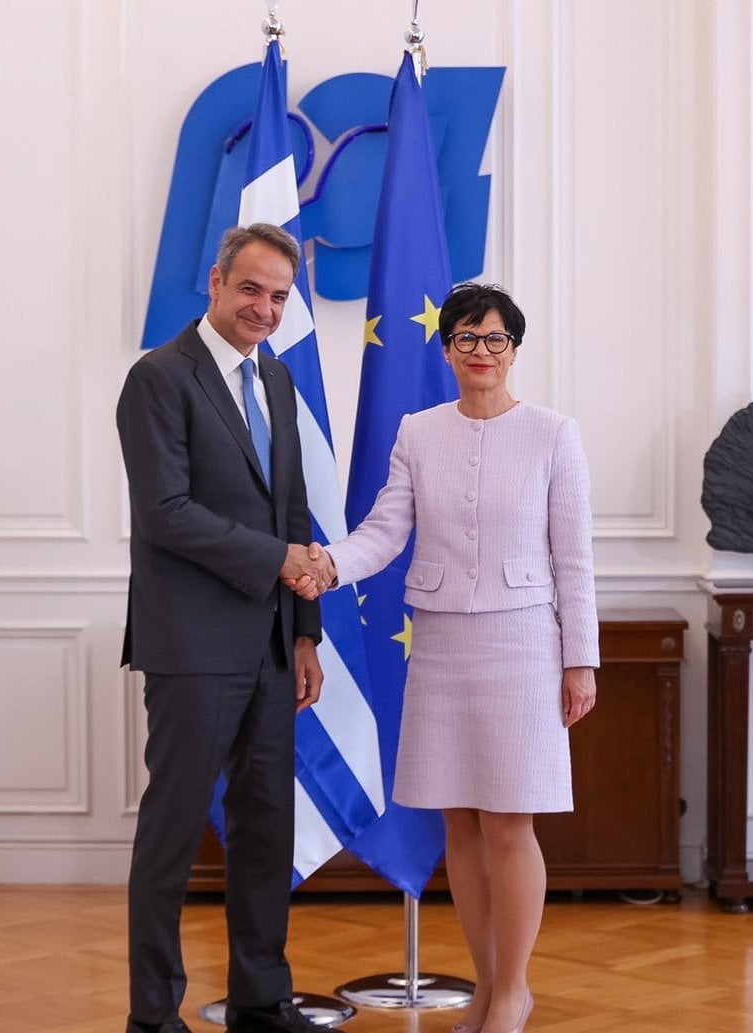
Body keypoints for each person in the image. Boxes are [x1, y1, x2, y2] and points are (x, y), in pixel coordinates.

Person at [292, 283, 598, 1033]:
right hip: (441, 643)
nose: (480, 351)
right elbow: (384, 531)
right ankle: (486, 987)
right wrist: (328, 564)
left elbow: (575, 558)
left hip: (523, 643)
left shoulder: (554, 434)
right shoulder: (418, 431)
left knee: (509, 822)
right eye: (465, 338)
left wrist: (580, 660)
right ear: (447, 349)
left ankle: (514, 991)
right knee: (459, 822)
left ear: (513, 349)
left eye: (494, 338)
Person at [117, 223, 333, 1033]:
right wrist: (277, 560)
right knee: (172, 834)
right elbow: (166, 512)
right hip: (192, 646)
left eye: (278, 296)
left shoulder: (274, 376)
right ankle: (152, 1016)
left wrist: (304, 632)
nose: (264, 308)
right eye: (250, 289)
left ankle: (260, 998)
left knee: (265, 827)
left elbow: (293, 507)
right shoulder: (157, 377)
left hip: (273, 646)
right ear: (214, 282)